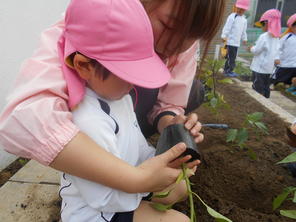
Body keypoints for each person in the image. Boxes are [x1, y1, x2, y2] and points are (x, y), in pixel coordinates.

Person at [0, 0, 225, 187]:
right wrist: (136, 181)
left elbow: (167, 104)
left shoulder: (182, 43)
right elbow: (22, 117)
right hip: (95, 131)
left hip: (123, 120)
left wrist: (172, 126)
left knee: (194, 90)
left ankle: (123, 149)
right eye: (169, 25)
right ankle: (101, 156)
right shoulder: (93, 23)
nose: (179, 46)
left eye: (194, 36)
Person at [58, 1, 196, 221]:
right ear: (84, 66)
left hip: (124, 192)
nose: (133, 83)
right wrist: (149, 184)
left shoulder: (119, 98)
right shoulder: (88, 121)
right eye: (126, 73)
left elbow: (139, 147)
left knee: (180, 188)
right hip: (96, 213)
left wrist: (166, 163)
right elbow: (103, 198)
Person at [248, 9, 281, 98]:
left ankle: (258, 102)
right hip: (269, 68)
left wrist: (251, 48)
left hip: (259, 68)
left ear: (268, 23)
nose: (261, 27)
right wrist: (277, 58)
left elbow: (256, 51)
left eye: (262, 24)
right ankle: (266, 100)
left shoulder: (264, 37)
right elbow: (277, 51)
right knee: (266, 86)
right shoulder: (277, 38)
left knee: (257, 87)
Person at [221, 0, 249, 77]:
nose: (240, 10)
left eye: (242, 9)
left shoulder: (244, 20)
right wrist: (224, 35)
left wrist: (244, 38)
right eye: (239, 8)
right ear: (236, 7)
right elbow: (227, 27)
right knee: (231, 58)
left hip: (237, 43)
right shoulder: (232, 17)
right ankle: (228, 71)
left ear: (245, 10)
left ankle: (226, 70)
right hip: (230, 42)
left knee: (231, 57)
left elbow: (244, 31)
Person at [272, 13, 296, 94]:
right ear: (291, 27)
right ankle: (277, 84)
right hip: (284, 64)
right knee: (280, 79)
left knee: (292, 79)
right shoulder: (286, 37)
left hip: (294, 65)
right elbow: (277, 48)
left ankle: (291, 87)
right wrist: (276, 57)